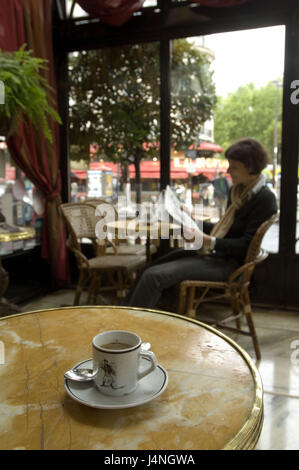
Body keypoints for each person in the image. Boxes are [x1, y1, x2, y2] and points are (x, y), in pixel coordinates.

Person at [125, 138, 278, 310]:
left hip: (232, 267)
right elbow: (225, 229)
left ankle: (132, 324)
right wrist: (192, 220)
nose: (228, 171)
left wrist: (207, 241)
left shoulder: (264, 199)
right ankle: (129, 316)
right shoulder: (239, 192)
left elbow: (245, 246)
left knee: (153, 276)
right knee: (150, 268)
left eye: (234, 166)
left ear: (250, 167)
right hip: (217, 258)